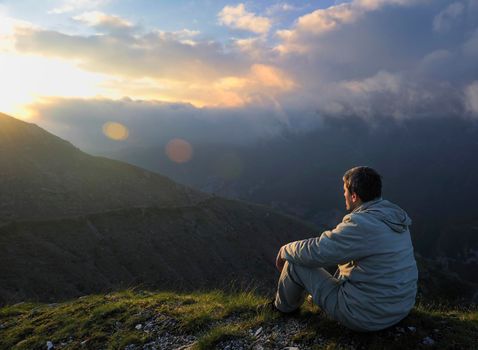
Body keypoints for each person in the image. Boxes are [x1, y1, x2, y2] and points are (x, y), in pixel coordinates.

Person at [270, 166, 418, 331]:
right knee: (347, 263)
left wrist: (285, 250)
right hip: (399, 308)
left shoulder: (361, 224)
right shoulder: (394, 218)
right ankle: (315, 300)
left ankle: (281, 310)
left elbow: (317, 251)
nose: (344, 195)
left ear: (354, 196)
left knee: (295, 263)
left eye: (345, 191)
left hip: (366, 316)